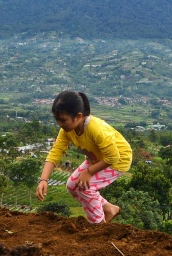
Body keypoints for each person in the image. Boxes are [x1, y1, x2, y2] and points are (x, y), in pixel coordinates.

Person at [36, 90, 132, 224]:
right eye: (57, 119)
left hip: (118, 159)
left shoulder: (95, 129)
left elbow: (112, 157)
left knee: (85, 187)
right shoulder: (66, 130)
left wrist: (89, 172)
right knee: (71, 185)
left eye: (63, 120)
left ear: (78, 116)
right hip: (97, 159)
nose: (59, 124)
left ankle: (98, 226)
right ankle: (109, 209)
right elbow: (56, 152)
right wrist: (43, 180)